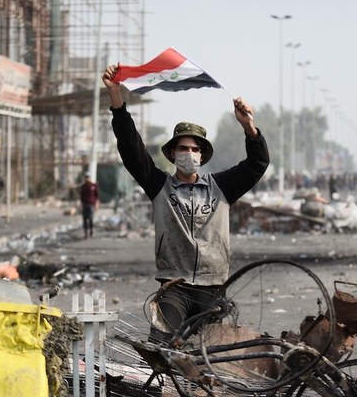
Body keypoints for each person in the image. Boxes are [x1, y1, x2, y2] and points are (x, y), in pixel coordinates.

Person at [102, 63, 270, 345]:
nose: (189, 153)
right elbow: (131, 149)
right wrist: (116, 99)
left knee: (212, 361)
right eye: (183, 148)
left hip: (213, 288)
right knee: (161, 347)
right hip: (174, 286)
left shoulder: (222, 188)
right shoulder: (160, 186)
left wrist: (248, 127)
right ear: (172, 153)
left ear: (202, 156)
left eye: (195, 149)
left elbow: (257, 164)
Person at [80, 173, 99, 238]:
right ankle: (86, 233)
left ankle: (91, 231)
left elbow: (97, 196)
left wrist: (97, 204)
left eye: (88, 177)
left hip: (91, 205)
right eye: (86, 177)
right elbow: (81, 197)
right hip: (85, 204)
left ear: (90, 178)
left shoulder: (93, 186)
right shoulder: (83, 186)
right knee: (85, 219)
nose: (87, 179)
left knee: (90, 218)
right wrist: (81, 205)